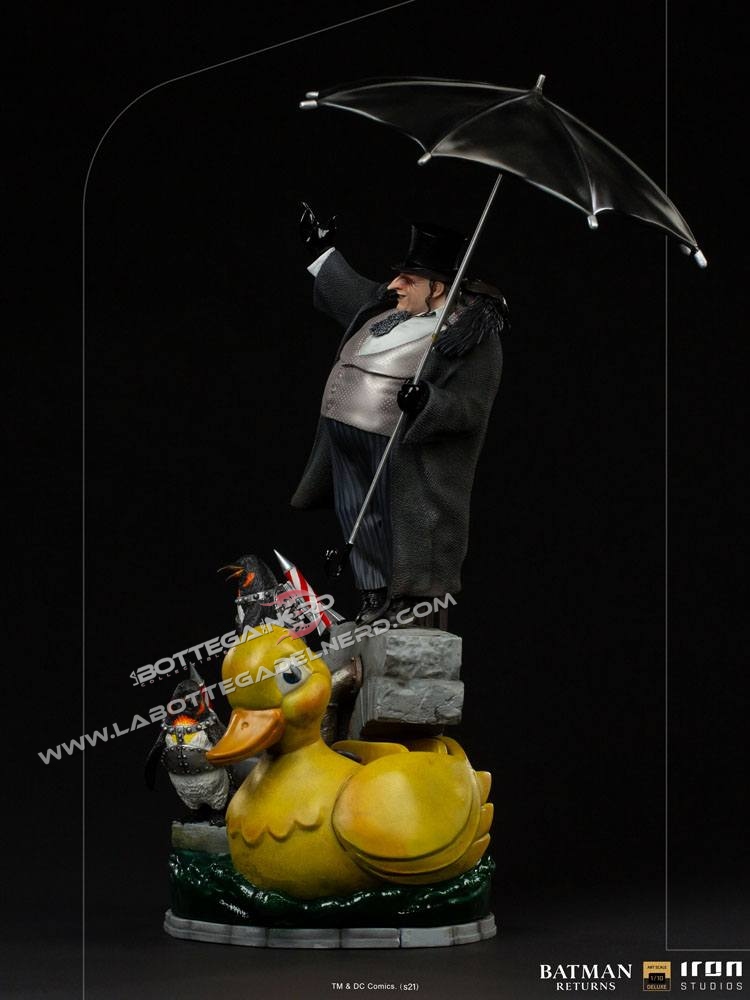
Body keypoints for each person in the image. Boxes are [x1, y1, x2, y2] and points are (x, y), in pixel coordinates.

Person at [292, 206, 508, 626]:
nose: (394, 285)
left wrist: (427, 400)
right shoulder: (391, 307)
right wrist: (321, 251)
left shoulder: (470, 336)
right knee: (357, 518)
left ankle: (405, 604)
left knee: (402, 526)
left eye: (408, 280)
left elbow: (472, 408)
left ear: (437, 287)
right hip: (346, 441)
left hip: (399, 449)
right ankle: (372, 596)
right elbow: (348, 292)